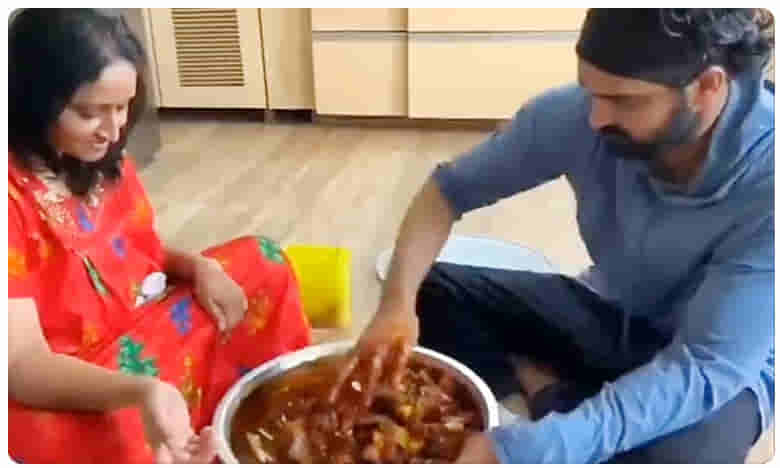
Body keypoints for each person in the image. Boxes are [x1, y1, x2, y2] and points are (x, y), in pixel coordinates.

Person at [331, 8, 774, 463]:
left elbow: (706, 365)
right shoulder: (583, 114)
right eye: (590, 90)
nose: (596, 118)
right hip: (615, 315)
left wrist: (535, 448)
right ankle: (548, 395)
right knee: (432, 289)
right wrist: (396, 304)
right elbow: (447, 192)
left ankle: (556, 405)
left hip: (716, 368)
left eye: (624, 100)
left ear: (707, 87)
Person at [8, 9, 311, 463]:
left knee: (263, 262)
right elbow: (20, 367)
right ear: (34, 100)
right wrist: (139, 391)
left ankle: (251, 418)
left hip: (145, 323)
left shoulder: (101, 158)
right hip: (77, 375)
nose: (112, 131)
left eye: (122, 107)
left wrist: (198, 267)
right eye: (88, 113)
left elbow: (130, 252)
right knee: (76, 433)